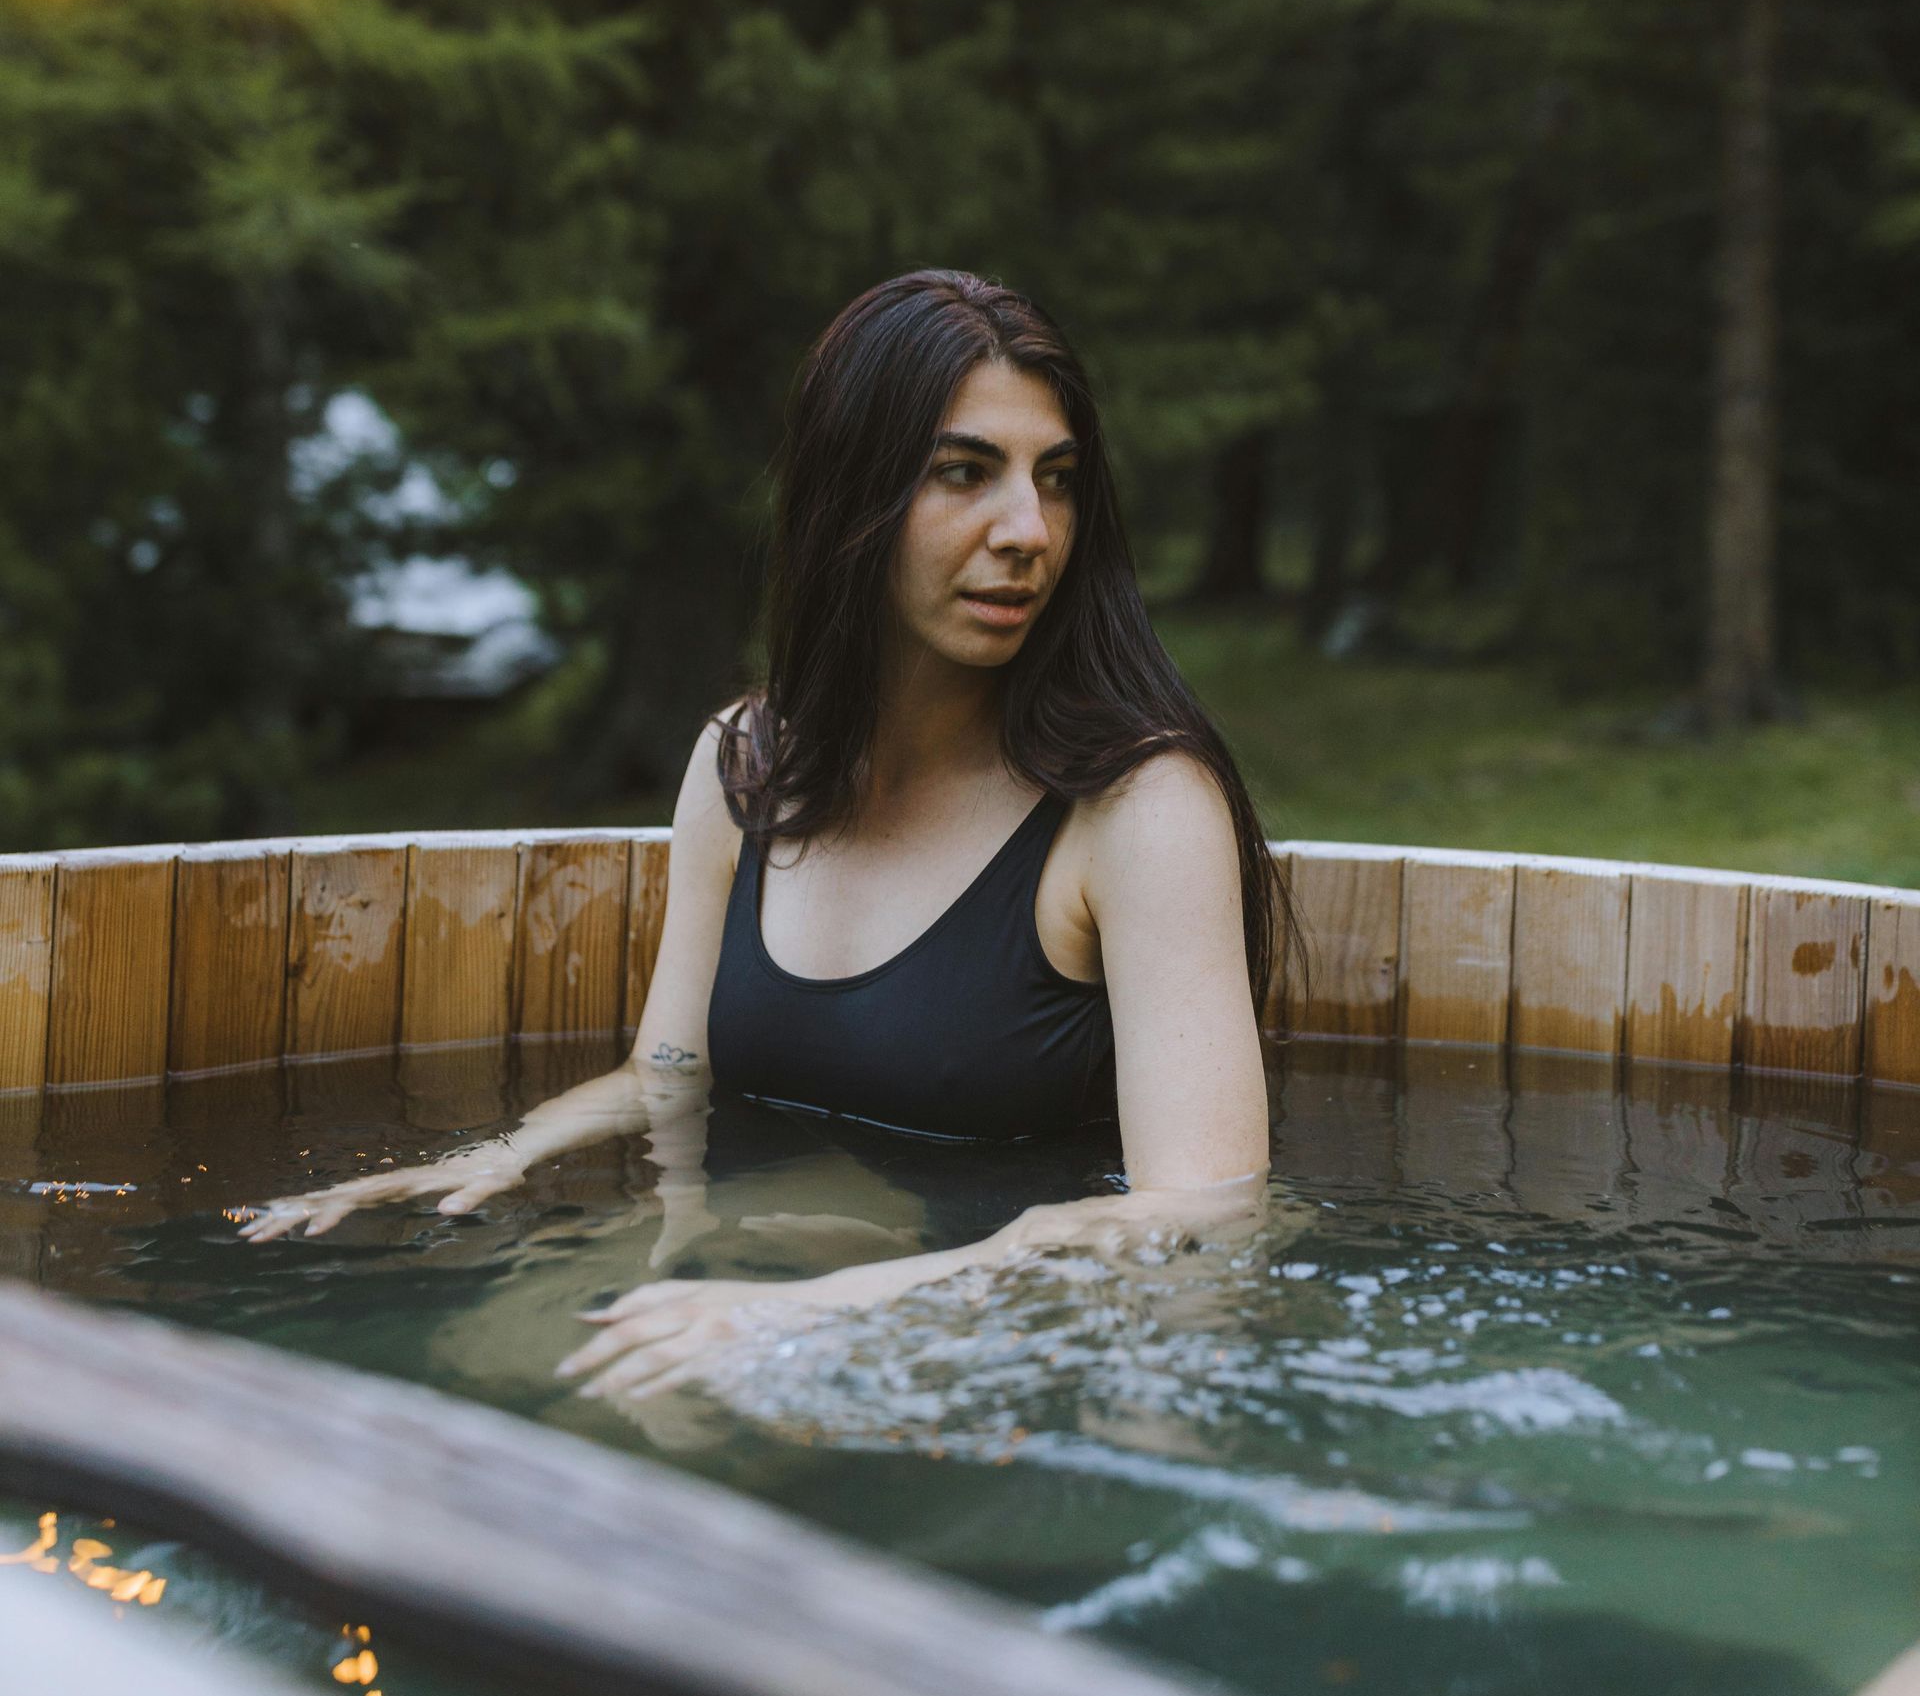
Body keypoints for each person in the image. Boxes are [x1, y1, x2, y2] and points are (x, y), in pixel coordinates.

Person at [244, 270, 1288, 1407]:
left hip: (1011, 1351)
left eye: (1059, 482)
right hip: (786, 1251)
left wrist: (806, 1322)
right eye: (963, 473)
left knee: (637, 1415)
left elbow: (1204, 1216)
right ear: (850, 498)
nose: (1029, 532)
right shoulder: (748, 763)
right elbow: (669, 1070)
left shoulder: (1136, 806)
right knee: (461, 1368)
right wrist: (503, 1154)